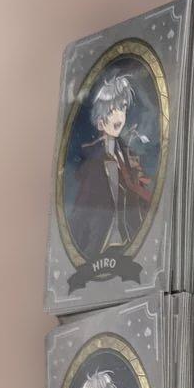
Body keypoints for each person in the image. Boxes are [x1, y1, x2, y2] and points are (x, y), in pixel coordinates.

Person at [69, 74, 153, 258]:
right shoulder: (94, 161)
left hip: (128, 238)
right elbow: (82, 209)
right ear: (100, 122)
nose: (118, 115)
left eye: (122, 107)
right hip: (102, 242)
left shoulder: (125, 152)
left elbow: (134, 192)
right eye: (111, 111)